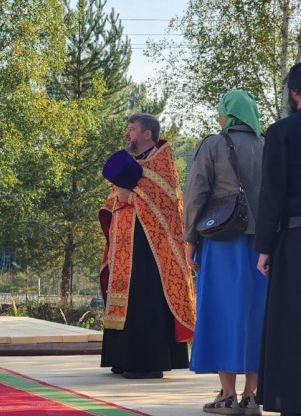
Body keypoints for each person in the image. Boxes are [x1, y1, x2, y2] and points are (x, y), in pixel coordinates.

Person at [182, 90, 266, 414]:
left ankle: (227, 396)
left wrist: (191, 239)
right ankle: (252, 396)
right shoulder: (265, 145)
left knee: (221, 315)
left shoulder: (215, 144)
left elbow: (196, 193)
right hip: (261, 249)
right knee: (254, 317)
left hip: (221, 244)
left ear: (227, 114)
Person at [98, 113, 196, 379]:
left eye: (132, 130)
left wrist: (133, 196)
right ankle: (121, 357)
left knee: (145, 298)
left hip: (151, 248)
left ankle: (149, 362)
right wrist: (118, 200)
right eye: (127, 129)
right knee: (125, 298)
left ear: (147, 134)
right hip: (124, 244)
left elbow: (167, 205)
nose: (127, 134)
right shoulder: (130, 161)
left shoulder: (162, 161)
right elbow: (115, 198)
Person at [255, 62, 301, 415]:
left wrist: (264, 248)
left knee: (292, 322)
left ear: (294, 93)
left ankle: (292, 400)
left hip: (295, 241)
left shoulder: (283, 131)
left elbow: (271, 193)